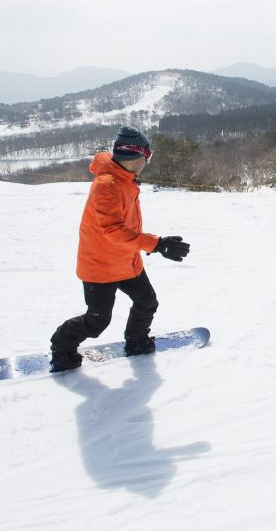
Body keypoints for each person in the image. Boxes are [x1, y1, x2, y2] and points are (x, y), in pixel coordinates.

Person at [49, 126, 191, 372]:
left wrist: (156, 243)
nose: (147, 162)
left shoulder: (124, 178)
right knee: (96, 322)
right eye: (147, 156)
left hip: (126, 261)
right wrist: (157, 244)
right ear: (135, 157)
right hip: (100, 266)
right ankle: (61, 346)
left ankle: (136, 341)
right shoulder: (107, 184)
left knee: (147, 302)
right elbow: (113, 230)